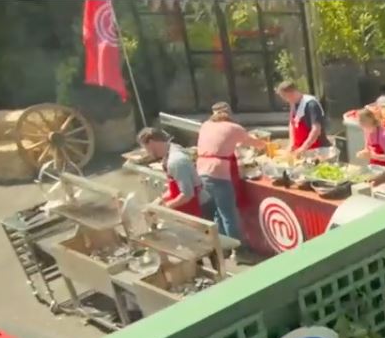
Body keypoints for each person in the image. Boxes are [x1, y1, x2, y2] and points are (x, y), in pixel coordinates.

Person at [195, 102, 266, 243]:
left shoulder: (205, 125)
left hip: (201, 171)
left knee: (218, 213)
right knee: (229, 215)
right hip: (218, 173)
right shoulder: (233, 128)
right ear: (230, 114)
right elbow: (254, 143)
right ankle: (238, 249)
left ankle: (223, 246)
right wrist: (265, 144)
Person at [136, 127, 212, 219]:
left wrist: (165, 208)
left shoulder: (176, 161)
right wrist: (157, 203)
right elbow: (174, 189)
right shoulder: (169, 152)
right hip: (191, 205)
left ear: (151, 143)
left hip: (199, 208)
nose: (147, 152)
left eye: (146, 148)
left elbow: (187, 194)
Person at [276, 80, 327, 156]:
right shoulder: (293, 103)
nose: (285, 100)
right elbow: (291, 123)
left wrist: (303, 148)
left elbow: (316, 130)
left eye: (284, 96)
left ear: (291, 93)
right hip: (300, 150)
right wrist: (292, 143)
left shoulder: (311, 104)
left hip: (316, 150)